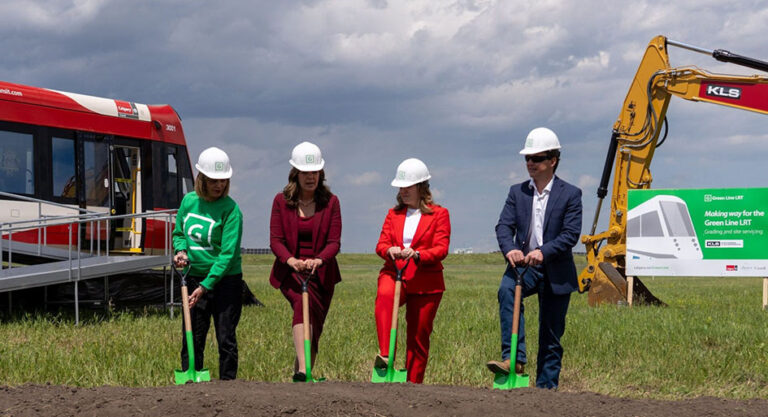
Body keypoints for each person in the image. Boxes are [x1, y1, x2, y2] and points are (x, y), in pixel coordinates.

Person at [486, 127, 582, 389]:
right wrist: (510, 250)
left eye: (537, 158)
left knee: (550, 336)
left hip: (556, 270)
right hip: (523, 268)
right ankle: (514, 358)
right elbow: (503, 227)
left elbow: (570, 235)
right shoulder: (517, 192)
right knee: (506, 290)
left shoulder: (571, 194)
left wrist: (544, 251)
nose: (530, 163)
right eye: (527, 158)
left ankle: (545, 393)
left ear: (553, 160)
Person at [269, 141, 342, 382]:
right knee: (303, 305)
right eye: (305, 172)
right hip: (291, 272)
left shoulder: (331, 202)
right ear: (295, 174)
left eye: (314, 172)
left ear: (320, 173)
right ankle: (304, 371)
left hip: (321, 274)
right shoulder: (281, 201)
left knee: (315, 329)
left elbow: (334, 242)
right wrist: (290, 261)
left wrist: (319, 260)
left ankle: (300, 376)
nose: (310, 177)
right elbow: (276, 240)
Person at [374, 158, 451, 384]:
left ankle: (412, 383)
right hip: (394, 273)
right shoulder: (393, 214)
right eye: (401, 187)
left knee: (418, 337)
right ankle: (386, 356)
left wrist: (417, 254)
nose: (403, 191)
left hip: (425, 279)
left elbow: (441, 248)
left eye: (408, 186)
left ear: (421, 187)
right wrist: (390, 250)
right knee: (385, 297)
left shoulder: (439, 214)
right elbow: (381, 244)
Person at [172, 146, 243, 380]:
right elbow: (179, 232)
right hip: (192, 278)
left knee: (225, 338)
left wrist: (206, 286)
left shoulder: (232, 211)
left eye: (223, 180)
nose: (219, 185)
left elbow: (228, 255)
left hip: (225, 282)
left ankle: (228, 386)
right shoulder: (189, 202)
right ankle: (190, 382)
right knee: (193, 336)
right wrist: (180, 251)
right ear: (201, 178)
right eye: (213, 180)